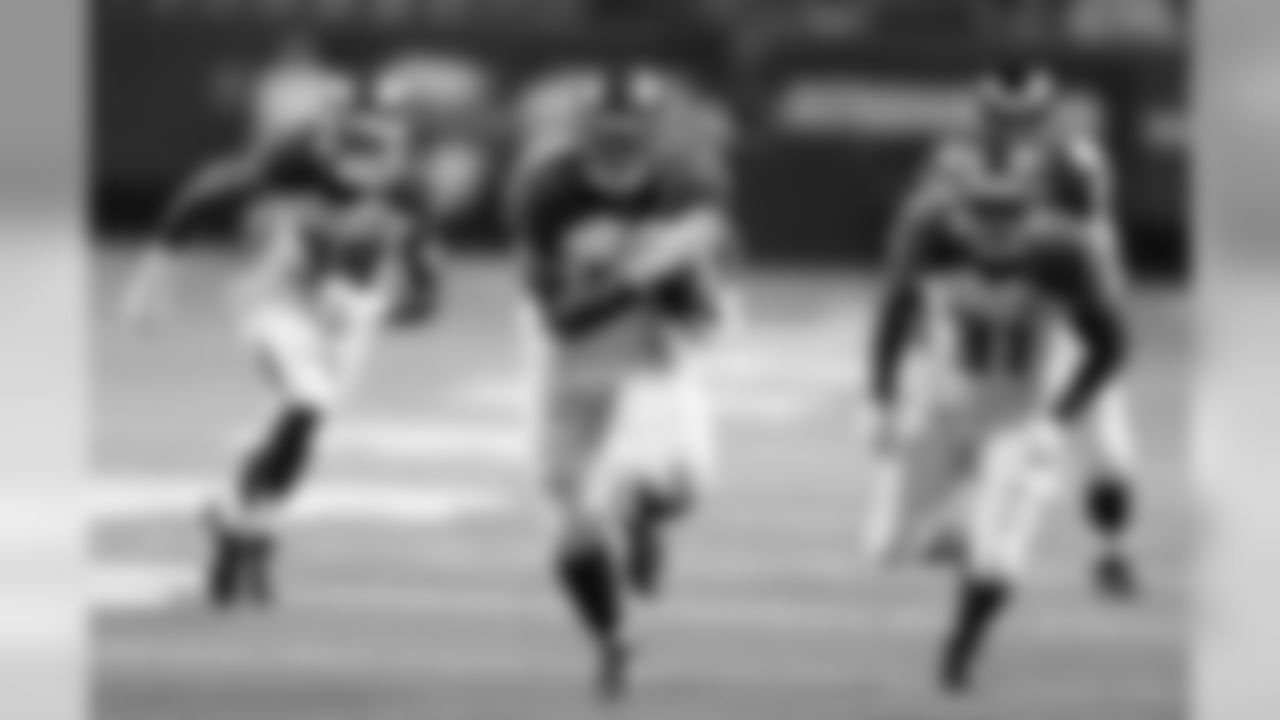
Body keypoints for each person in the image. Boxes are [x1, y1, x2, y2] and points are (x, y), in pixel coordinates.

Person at [121, 108, 423, 609]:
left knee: (301, 425)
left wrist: (375, 305)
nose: (368, 165)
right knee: (308, 400)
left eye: (380, 153)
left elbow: (425, 296)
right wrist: (150, 281)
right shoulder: (286, 166)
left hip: (346, 320)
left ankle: (243, 525)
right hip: (274, 298)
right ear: (329, 149)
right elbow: (199, 201)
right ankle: (249, 531)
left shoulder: (407, 197)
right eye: (356, 150)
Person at [508, 66, 735, 700]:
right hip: (571, 360)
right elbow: (559, 316)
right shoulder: (547, 188)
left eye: (630, 127)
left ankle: (642, 520)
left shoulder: (688, 182)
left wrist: (683, 286)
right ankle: (613, 638)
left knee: (681, 485)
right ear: (583, 128)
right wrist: (641, 274)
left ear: (653, 129)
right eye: (606, 127)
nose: (618, 140)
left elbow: (704, 310)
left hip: (655, 357)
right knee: (570, 525)